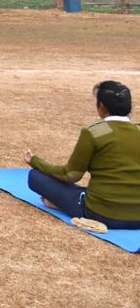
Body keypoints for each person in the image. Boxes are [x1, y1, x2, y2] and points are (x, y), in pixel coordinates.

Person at [25, 81, 140, 230]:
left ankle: (61, 203)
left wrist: (35, 161)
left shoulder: (95, 132)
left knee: (35, 176)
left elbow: (70, 175)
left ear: (101, 107)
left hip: (101, 213)